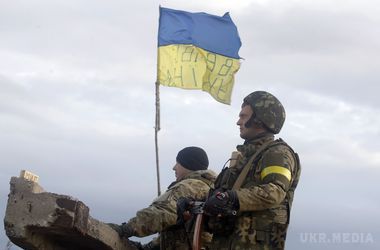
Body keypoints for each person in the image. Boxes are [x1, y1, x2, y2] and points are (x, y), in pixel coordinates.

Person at [201, 91, 301, 250]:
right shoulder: (242, 159)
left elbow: (275, 191)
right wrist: (198, 204)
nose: (238, 122)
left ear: (259, 120)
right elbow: (221, 198)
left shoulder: (277, 153)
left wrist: (231, 198)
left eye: (243, 116)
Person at [108, 146, 216, 250]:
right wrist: (150, 247)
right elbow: (180, 228)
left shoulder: (189, 186)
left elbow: (163, 213)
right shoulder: (206, 188)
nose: (174, 167)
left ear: (188, 164)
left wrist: (125, 229)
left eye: (178, 163)